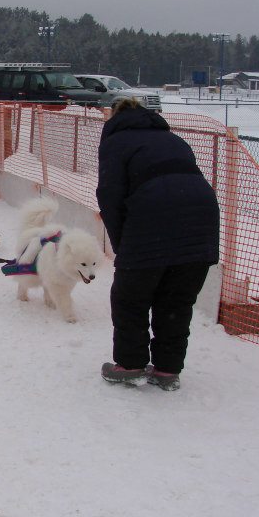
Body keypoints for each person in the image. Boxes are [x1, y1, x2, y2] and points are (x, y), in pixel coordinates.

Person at [96, 98, 220, 391]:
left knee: (130, 297)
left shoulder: (116, 142)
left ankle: (130, 365)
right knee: (175, 300)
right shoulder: (172, 138)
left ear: (115, 117)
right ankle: (167, 370)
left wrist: (122, 246)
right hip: (201, 221)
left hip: (152, 217)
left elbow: (110, 198)